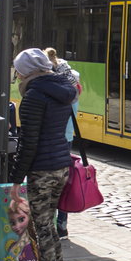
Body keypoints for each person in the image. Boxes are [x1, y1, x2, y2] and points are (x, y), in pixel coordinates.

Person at [9, 48, 77, 261]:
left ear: (26, 71)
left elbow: (28, 142)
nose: (16, 74)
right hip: (61, 163)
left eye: (17, 69)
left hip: (42, 167)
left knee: (43, 228)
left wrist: (16, 178)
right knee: (49, 227)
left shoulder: (34, 96)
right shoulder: (62, 88)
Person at [44, 47, 82, 239]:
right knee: (63, 183)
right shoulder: (73, 83)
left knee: (48, 184)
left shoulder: (52, 88)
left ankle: (48, 225)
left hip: (51, 139)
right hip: (67, 138)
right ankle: (62, 225)